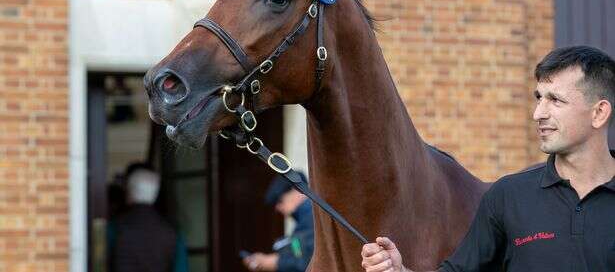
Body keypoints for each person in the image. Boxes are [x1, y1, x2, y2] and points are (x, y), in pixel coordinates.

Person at [361, 45, 615, 272]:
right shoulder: (507, 196)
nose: (539, 113)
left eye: (555, 100)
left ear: (599, 113)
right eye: (539, 97)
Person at [108, 165, 186, 272]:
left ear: (129, 193)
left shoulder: (114, 227)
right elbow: (181, 269)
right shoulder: (172, 231)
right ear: (155, 195)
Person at [243, 171, 315, 272]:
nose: (278, 208)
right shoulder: (306, 219)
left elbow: (305, 262)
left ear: (297, 190)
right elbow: (298, 250)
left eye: (280, 201)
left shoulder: (311, 217)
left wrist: (271, 262)